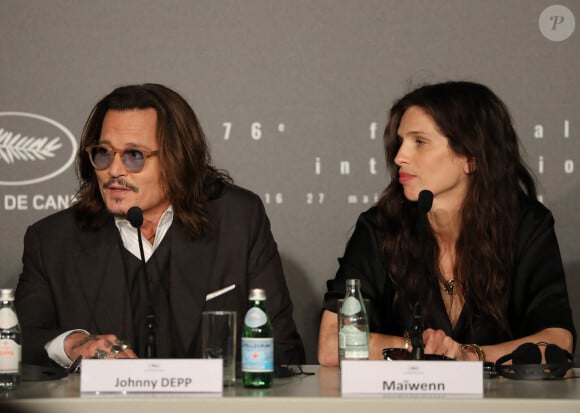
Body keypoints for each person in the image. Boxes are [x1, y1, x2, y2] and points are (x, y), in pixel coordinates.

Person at [15, 83, 305, 368]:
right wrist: (71, 344)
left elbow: (283, 350)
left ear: (177, 159)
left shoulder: (238, 219)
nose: (114, 171)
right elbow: (19, 342)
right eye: (103, 153)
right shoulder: (52, 240)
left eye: (134, 156)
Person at [318, 81, 576, 366]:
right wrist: (416, 346)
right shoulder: (381, 226)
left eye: (420, 142)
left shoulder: (526, 226)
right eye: (401, 141)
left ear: (471, 158)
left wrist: (468, 355)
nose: (399, 157)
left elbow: (558, 342)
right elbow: (331, 344)